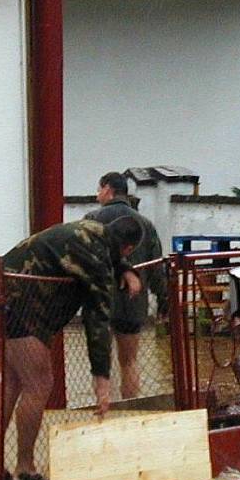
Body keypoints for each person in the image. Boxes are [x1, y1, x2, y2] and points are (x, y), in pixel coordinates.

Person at [0, 217, 143, 480]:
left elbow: (103, 254)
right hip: (16, 305)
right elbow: (98, 320)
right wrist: (102, 379)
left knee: (13, 383)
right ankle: (25, 468)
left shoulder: (91, 229)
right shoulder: (99, 261)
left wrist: (125, 268)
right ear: (128, 248)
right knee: (39, 384)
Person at [84, 171, 167, 399]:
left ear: (108, 190)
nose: (97, 194)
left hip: (99, 300)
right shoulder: (146, 225)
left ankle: (103, 413)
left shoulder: (92, 219)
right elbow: (156, 269)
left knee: (101, 364)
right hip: (133, 301)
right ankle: (130, 410)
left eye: (99, 189)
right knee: (129, 361)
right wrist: (163, 301)